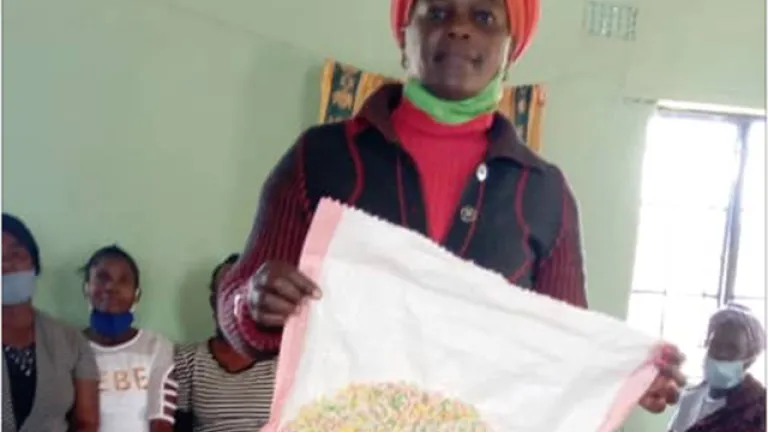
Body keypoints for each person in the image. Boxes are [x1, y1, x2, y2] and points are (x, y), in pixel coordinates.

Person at [217, 0, 685, 414]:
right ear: (405, 37)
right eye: (437, 12)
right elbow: (236, 311)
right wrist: (253, 303)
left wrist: (629, 375)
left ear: (510, 48)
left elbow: (565, 346)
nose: (459, 28)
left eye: (484, 16)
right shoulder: (320, 158)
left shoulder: (543, 192)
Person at [1, 213, 100, 432]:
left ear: (34, 264)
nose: (6, 264)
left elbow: (87, 422)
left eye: (15, 253)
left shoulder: (71, 340)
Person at [174, 253, 277, 432]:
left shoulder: (281, 360)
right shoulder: (188, 359)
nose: (233, 303)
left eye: (242, 293)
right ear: (213, 302)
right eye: (225, 293)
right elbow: (178, 426)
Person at [82, 245, 176, 432]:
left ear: (136, 294)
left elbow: (161, 422)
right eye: (102, 278)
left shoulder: (156, 346)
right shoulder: (70, 345)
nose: (111, 288)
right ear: (87, 288)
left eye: (123, 281)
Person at [667, 304, 766, 432]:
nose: (722, 353)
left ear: (750, 358)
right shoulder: (690, 399)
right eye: (715, 345)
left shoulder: (759, 408)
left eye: (732, 349)